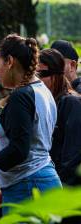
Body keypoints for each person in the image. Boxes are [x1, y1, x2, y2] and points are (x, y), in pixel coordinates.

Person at [0, 34, 62, 215]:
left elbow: (19, 150)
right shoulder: (41, 90)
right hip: (40, 180)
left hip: (28, 185)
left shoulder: (21, 96)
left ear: (10, 61)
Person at [38, 48, 81, 186]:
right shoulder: (46, 103)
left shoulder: (71, 103)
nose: (37, 79)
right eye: (33, 74)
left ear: (57, 75)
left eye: (42, 74)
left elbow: (72, 157)